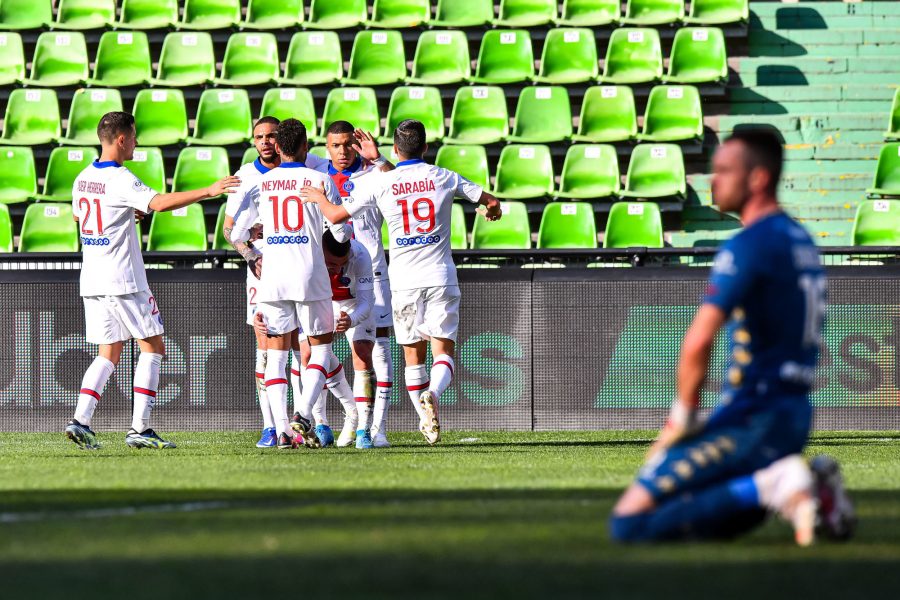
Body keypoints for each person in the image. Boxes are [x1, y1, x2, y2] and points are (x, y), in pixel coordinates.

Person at [608, 129, 855, 545]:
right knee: (707, 523)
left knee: (628, 524)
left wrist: (680, 421)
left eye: (723, 170)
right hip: (792, 414)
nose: (712, 181)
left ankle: (775, 484)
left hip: (752, 417)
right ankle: (803, 484)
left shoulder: (750, 245)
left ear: (757, 178)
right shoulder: (801, 240)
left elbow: (698, 341)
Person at [302, 119, 503, 445]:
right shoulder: (444, 176)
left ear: (396, 148)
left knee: (413, 357)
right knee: (443, 352)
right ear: (425, 147)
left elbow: (337, 216)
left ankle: (418, 410)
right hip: (441, 277)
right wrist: (491, 212)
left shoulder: (383, 182)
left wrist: (318, 199)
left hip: (404, 281)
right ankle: (433, 395)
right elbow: (491, 202)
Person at [65, 111, 239, 450]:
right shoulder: (121, 178)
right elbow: (159, 203)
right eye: (133, 136)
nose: (136, 142)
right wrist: (210, 190)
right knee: (153, 346)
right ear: (120, 139)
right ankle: (140, 428)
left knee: (108, 352)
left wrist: (125, 213)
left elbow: (78, 214)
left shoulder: (83, 177)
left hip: (93, 279)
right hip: (124, 278)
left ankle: (81, 420)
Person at [231, 118, 344, 450]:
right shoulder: (320, 179)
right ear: (307, 147)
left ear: (278, 147)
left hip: (273, 278)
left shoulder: (260, 184)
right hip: (311, 275)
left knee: (276, 355)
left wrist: (254, 256)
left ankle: (281, 430)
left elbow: (237, 234)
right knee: (319, 349)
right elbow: (340, 233)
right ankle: (304, 414)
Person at [312, 120, 395, 448]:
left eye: (348, 144)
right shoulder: (318, 174)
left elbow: (405, 183)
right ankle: (325, 421)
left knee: (377, 349)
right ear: (326, 147)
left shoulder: (375, 173)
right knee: (314, 348)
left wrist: (380, 159)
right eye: (336, 145)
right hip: (327, 274)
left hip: (371, 271)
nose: (343, 151)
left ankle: (378, 428)